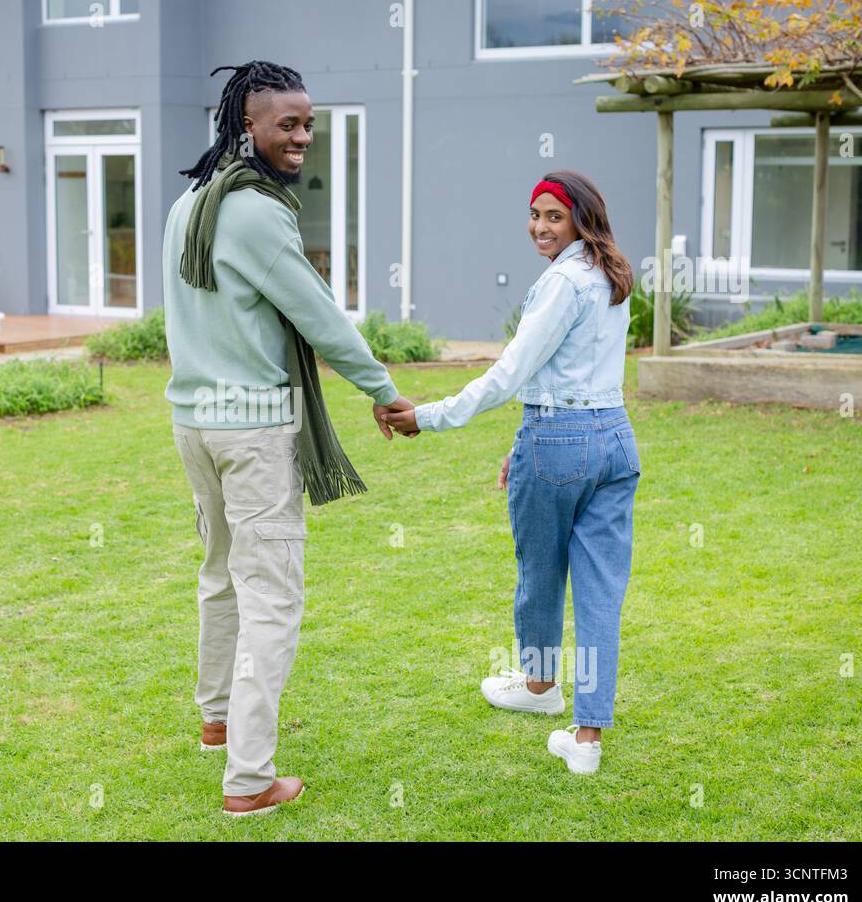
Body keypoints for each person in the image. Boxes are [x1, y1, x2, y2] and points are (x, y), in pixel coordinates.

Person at [164, 61, 416, 815]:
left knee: (220, 572)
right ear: (248, 123)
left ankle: (217, 718)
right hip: (251, 430)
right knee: (272, 595)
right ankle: (248, 778)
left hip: (194, 423)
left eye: (309, 123)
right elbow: (321, 319)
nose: (303, 135)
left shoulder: (189, 204)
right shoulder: (257, 213)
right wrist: (384, 390)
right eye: (288, 124)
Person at [383, 171, 640, 775]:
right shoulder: (611, 275)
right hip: (614, 439)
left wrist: (428, 416)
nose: (539, 227)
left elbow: (509, 375)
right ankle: (586, 738)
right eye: (534, 215)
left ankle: (539, 684)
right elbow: (577, 377)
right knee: (601, 594)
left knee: (540, 571)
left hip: (560, 442)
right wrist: (526, 444)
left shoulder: (562, 285)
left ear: (580, 218)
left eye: (554, 216)